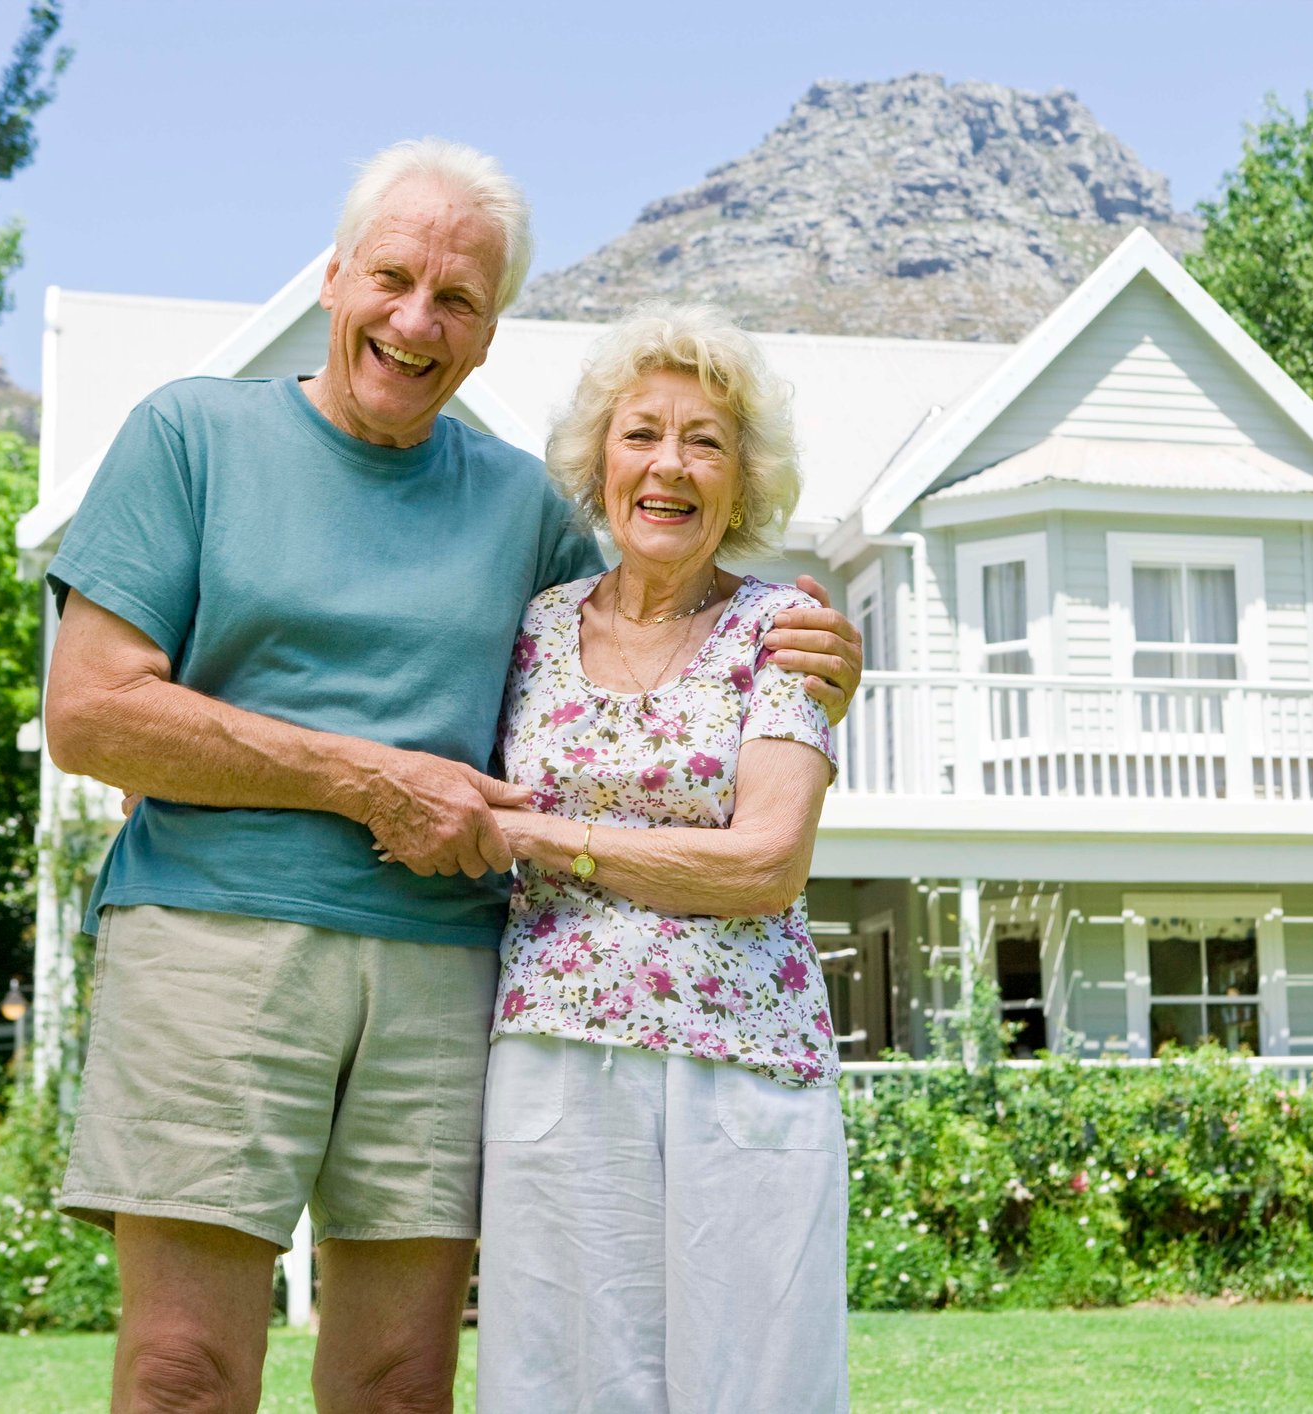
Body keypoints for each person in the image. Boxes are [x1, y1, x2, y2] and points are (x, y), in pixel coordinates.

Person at [41, 141, 861, 1414]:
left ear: (490, 333)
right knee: (182, 1369)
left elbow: (655, 611)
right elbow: (91, 713)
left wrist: (816, 650)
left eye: (459, 299)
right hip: (213, 933)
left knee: (399, 1382)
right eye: (394, 278)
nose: (417, 320)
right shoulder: (191, 433)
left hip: (446, 970)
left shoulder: (522, 510)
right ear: (333, 278)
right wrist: (371, 780)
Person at [471, 304, 848, 1412]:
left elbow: (766, 862)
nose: (668, 467)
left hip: (743, 1060)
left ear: (744, 481)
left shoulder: (782, 631)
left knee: (754, 1380)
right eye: (642, 433)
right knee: (560, 1377)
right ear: (599, 459)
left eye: (705, 441)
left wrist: (544, 838)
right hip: (552, 1053)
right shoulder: (532, 627)